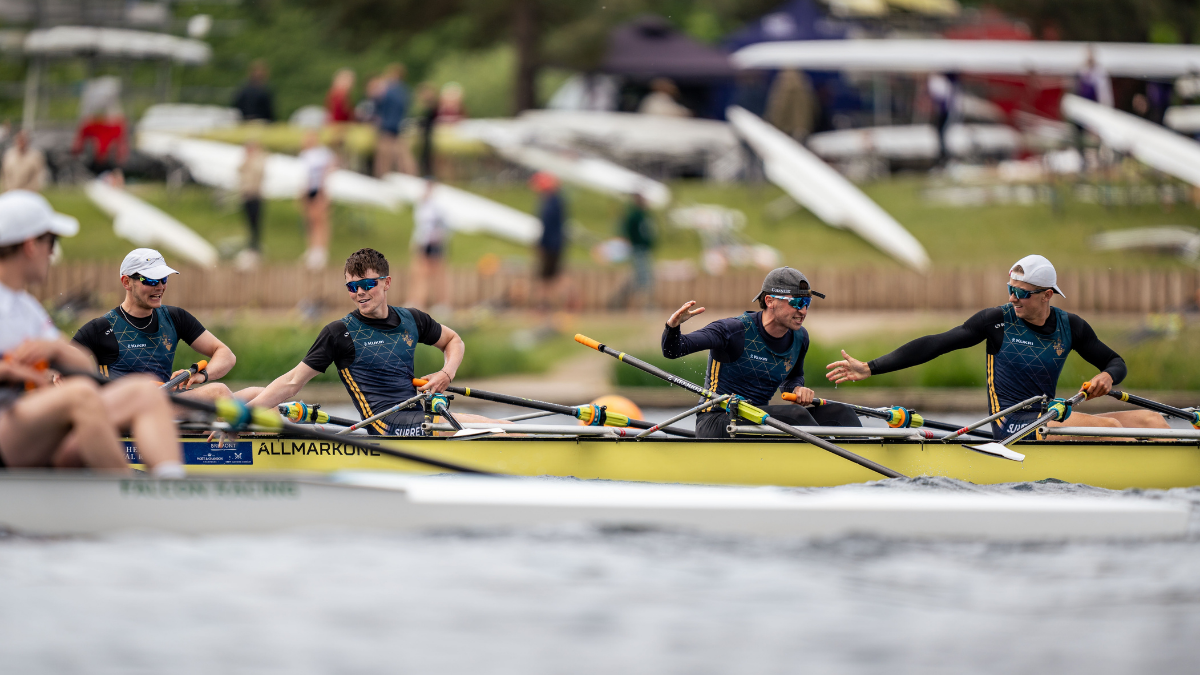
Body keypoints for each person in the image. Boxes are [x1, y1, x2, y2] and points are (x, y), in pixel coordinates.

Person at [826, 255, 1170, 439]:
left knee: (1153, 422)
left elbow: (1115, 360)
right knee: (1110, 429)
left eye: (1021, 293)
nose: (1012, 298)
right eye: (1010, 289)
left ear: (1047, 295)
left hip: (1050, 416)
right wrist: (870, 367)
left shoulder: (1072, 326)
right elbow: (936, 344)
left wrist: (1109, 376)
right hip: (1012, 424)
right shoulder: (996, 320)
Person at [0, 191, 182, 474]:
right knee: (80, 395)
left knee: (143, 391)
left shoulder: (28, 308)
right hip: (7, 424)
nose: (53, 253)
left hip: (31, 426)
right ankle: (129, 497)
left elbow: (83, 365)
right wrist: (14, 372)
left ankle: (172, 487)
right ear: (30, 246)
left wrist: (56, 349)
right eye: (52, 241)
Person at [246, 248, 496, 436]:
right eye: (352, 286)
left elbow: (454, 340)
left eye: (367, 284)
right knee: (487, 429)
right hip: (384, 424)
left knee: (500, 427)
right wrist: (242, 417)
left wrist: (446, 373)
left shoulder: (412, 319)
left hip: (419, 416)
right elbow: (291, 382)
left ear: (386, 283)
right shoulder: (339, 332)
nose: (359, 293)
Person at [662, 267, 861, 439]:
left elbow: (793, 377)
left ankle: (863, 457)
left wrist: (797, 389)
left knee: (842, 412)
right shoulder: (732, 330)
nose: (803, 311)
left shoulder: (800, 338)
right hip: (717, 420)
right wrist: (673, 327)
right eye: (797, 303)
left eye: (807, 303)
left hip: (758, 417)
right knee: (796, 415)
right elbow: (674, 350)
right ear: (770, 300)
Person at [72, 248, 255, 405]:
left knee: (258, 395)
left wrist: (203, 375)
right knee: (218, 392)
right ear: (126, 282)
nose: (159, 287)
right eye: (151, 280)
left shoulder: (174, 318)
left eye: (163, 279)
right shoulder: (100, 328)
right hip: (125, 412)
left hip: (166, 404)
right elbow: (57, 365)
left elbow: (226, 355)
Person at [406, 179, 450, 311]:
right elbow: (420, 228)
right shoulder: (421, 206)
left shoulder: (439, 205)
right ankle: (417, 301)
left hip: (435, 242)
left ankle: (442, 303)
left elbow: (443, 225)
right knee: (419, 273)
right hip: (423, 243)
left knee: (438, 274)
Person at [299, 131, 335, 270]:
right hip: (309, 190)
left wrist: (323, 190)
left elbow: (329, 170)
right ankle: (312, 248)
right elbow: (303, 175)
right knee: (310, 220)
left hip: (320, 189)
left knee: (321, 220)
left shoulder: (323, 154)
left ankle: (321, 250)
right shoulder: (305, 155)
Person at [531, 172, 567, 310]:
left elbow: (547, 226)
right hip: (555, 243)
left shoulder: (550, 202)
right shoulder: (556, 200)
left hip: (551, 245)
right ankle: (549, 304)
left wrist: (541, 244)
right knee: (551, 276)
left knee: (547, 278)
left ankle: (547, 305)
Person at [614, 192, 656, 309]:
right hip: (638, 250)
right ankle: (646, 305)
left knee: (638, 279)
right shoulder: (633, 216)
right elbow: (626, 233)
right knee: (644, 279)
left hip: (645, 250)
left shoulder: (645, 215)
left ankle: (618, 301)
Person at [373, 64, 415, 177]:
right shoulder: (405, 91)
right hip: (400, 125)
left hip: (388, 125)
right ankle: (409, 176)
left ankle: (383, 177)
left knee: (384, 155)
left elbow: (377, 104)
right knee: (403, 154)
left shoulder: (388, 91)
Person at [237, 139, 266, 270]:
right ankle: (251, 247)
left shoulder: (259, 160)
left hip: (255, 196)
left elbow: (259, 173)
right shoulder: (246, 161)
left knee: (256, 223)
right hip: (246, 196)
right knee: (248, 222)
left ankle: (255, 247)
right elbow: (239, 171)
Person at [415, 82, 439, 178]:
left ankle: (429, 174)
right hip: (425, 135)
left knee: (429, 155)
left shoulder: (433, 106)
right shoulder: (425, 106)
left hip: (431, 135)